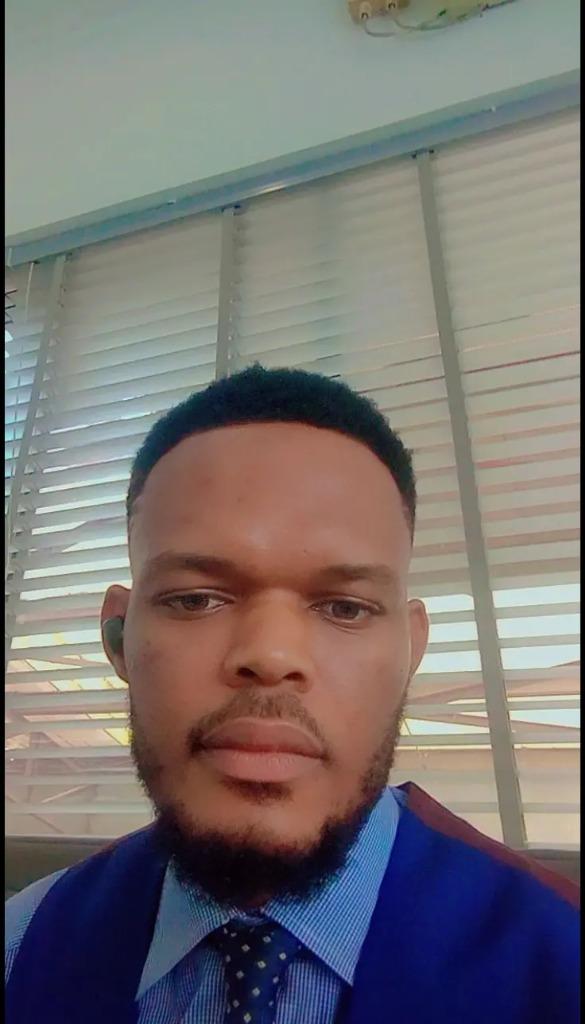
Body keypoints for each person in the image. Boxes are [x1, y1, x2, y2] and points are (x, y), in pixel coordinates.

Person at [5, 365, 579, 1024]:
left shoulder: (563, 962)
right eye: (195, 599)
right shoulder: (20, 949)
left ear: (410, 651)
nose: (271, 655)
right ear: (117, 638)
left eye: (345, 607)